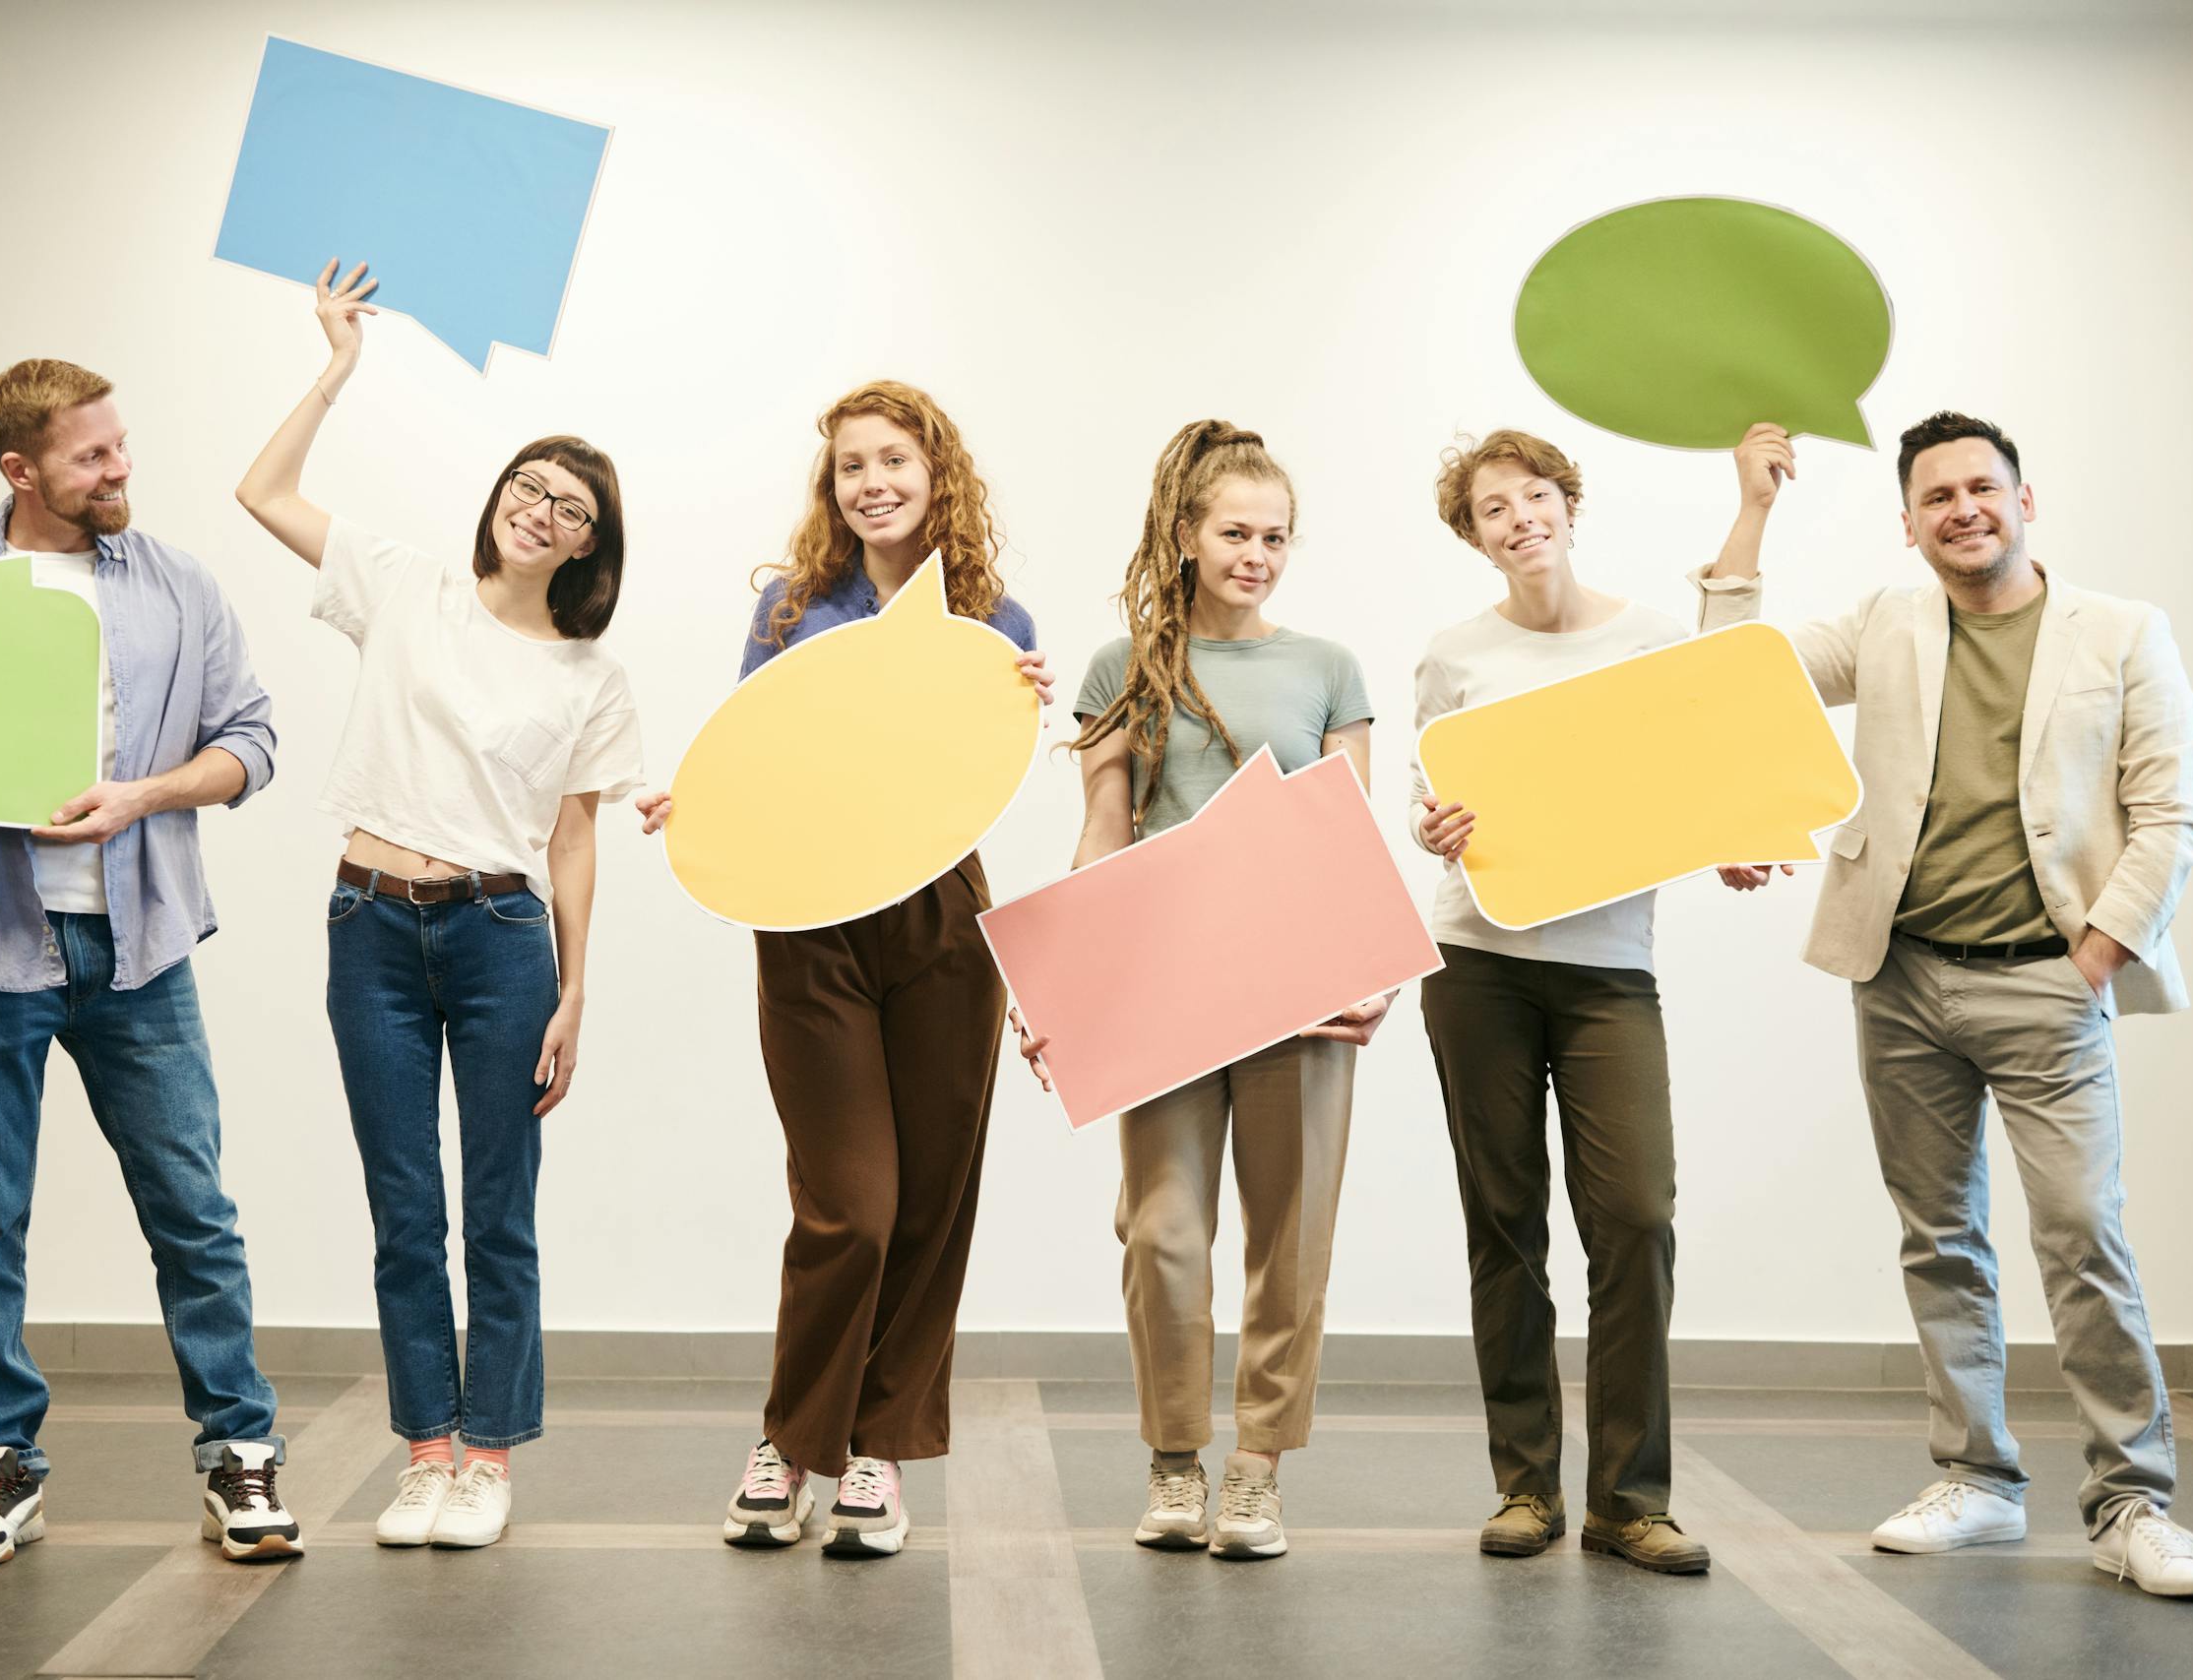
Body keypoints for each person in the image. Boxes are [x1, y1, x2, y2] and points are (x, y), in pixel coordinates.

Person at [1705, 409, 2193, 1598]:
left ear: (2024, 499)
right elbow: (1730, 680)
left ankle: (2132, 1503)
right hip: (1902, 977)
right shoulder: (1889, 623)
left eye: (1980, 488)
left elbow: (2173, 812)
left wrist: (2090, 955)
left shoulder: (2122, 633)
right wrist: (1754, 508)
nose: (1962, 511)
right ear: (1908, 524)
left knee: (2082, 1238)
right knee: (1939, 1240)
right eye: (1936, 498)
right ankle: (1977, 1481)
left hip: (2048, 976)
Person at [236, 262, 644, 1550]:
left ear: (588, 543)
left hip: (502, 939)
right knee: (404, 1200)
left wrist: (577, 988)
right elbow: (262, 494)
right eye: (529, 488)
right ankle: (425, 1450)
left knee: (498, 1204)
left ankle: (490, 1454)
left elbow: (576, 837)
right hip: (371, 922)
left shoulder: (591, 672)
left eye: (568, 508)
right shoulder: (406, 584)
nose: (539, 510)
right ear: (501, 500)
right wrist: (337, 366)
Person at [637, 379, 1051, 1558]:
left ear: (937, 476)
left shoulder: (994, 621)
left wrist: (1023, 705)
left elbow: (987, 769)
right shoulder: (789, 611)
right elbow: (743, 747)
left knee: (929, 1200)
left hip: (940, 921)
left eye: (892, 462)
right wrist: (695, 801)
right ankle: (791, 1438)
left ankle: (876, 1455)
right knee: (850, 1207)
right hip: (807, 918)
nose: (871, 483)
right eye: (849, 468)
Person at [0, 359, 294, 1567]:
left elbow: (252, 742)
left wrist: (142, 798)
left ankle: (239, 1456)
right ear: (19, 471)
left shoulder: (179, 584)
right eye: (91, 456)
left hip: (142, 953)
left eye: (119, 444)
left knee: (194, 1213)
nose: (120, 467)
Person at [1405, 427, 1791, 1575]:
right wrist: (1434, 827)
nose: (1519, 517)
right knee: (1505, 1228)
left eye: (1535, 496)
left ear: (1568, 507)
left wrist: (1726, 834)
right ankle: (1525, 1488)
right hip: (1475, 964)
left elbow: (1704, 752)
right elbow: (1432, 804)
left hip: (1608, 970)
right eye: (1492, 508)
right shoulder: (1453, 656)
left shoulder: (1645, 641)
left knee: (1634, 1220)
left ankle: (1629, 1499)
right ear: (1472, 536)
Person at [1026, 418, 1379, 1562]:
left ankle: (1258, 1474)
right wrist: (1064, 985)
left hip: (1301, 992)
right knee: (1163, 1235)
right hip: (1165, 991)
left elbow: (1347, 837)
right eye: (1234, 532)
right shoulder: (1120, 667)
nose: (1256, 554)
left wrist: (1367, 967)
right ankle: (1174, 1466)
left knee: (1292, 1237)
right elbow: (1102, 828)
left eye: (1275, 536)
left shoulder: (1327, 668)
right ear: (1185, 534)